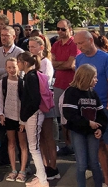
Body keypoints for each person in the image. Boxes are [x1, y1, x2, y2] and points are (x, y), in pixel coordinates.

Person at [74, 30, 108, 187]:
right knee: (99, 146)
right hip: (89, 109)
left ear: (90, 40)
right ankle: (107, 181)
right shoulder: (79, 59)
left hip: (105, 107)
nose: (79, 46)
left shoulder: (107, 59)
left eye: (81, 43)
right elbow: (79, 84)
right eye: (77, 43)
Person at [62, 64, 107, 187]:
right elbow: (69, 114)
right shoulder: (71, 92)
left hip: (92, 132)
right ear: (85, 78)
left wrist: (101, 128)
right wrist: (87, 123)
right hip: (78, 132)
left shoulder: (93, 93)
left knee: (94, 163)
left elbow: (102, 115)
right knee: (81, 164)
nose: (96, 80)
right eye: (94, 77)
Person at [0, 25, 23, 167]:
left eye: (7, 35)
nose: (3, 37)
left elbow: (20, 73)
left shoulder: (20, 52)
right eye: (2, 35)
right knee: (1, 127)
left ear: (14, 36)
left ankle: (21, 160)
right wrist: (7, 71)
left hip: (15, 96)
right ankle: (4, 157)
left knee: (18, 129)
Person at [29, 36, 58, 180]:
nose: (30, 49)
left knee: (48, 136)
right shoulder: (31, 62)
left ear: (41, 47)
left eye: (33, 46)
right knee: (39, 137)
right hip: (35, 104)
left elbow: (45, 82)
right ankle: (44, 165)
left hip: (45, 103)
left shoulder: (46, 62)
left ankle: (53, 166)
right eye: (29, 47)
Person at [16, 52, 48, 187]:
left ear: (25, 63)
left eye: (19, 62)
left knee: (33, 148)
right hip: (32, 115)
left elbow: (34, 100)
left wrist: (23, 117)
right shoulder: (30, 75)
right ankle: (40, 176)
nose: (17, 64)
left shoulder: (31, 77)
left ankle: (43, 180)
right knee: (33, 147)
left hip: (33, 115)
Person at [0, 58, 28, 182]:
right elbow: (0, 99)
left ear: (18, 67)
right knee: (11, 143)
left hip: (20, 118)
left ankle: (23, 170)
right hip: (8, 116)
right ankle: (14, 169)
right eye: (9, 67)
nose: (11, 70)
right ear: (5, 68)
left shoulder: (22, 82)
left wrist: (23, 120)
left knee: (23, 144)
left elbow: (25, 103)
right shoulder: (2, 82)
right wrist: (0, 114)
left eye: (14, 67)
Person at [52, 20, 78, 157]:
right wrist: (63, 64)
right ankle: (68, 144)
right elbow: (53, 64)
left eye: (63, 29)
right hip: (59, 84)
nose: (60, 31)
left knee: (72, 115)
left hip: (72, 85)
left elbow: (71, 64)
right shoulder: (56, 44)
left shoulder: (74, 44)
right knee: (61, 116)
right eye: (58, 29)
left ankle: (76, 145)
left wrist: (59, 64)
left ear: (70, 29)